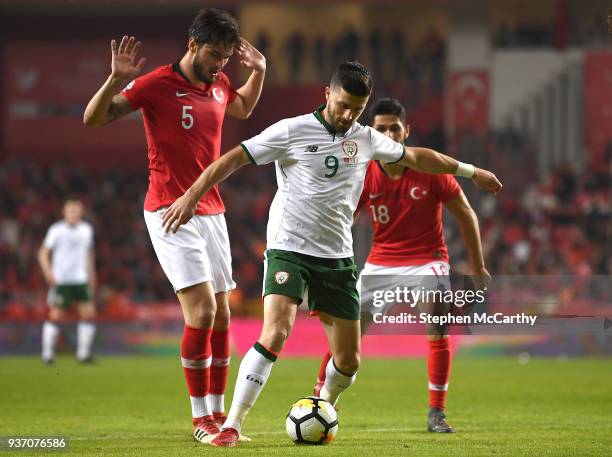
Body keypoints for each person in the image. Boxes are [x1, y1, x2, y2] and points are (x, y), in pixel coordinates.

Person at [161, 61, 502, 447]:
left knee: (349, 360)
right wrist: (192, 196)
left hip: (337, 259)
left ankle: (323, 405)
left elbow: (418, 157)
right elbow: (233, 158)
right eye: (342, 105)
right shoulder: (291, 130)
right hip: (289, 248)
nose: (347, 115)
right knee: (276, 331)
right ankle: (233, 424)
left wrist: (472, 172)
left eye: (356, 109)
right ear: (327, 93)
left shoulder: (367, 138)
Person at [83, 8, 266, 443]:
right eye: (214, 54)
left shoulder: (219, 84)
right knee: (202, 311)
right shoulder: (158, 84)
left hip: (211, 208)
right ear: (192, 45)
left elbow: (241, 105)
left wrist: (258, 71)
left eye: (225, 56)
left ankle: (220, 416)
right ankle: (200, 418)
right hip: (168, 208)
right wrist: (114, 78)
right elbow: (94, 118)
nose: (220, 63)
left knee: (223, 314)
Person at [313, 98, 491, 433]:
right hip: (380, 263)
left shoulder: (430, 169)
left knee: (437, 321)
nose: (388, 133)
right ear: (372, 133)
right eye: (380, 128)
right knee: (346, 335)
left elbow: (466, 213)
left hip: (428, 259)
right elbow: (343, 221)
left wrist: (477, 266)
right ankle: (319, 400)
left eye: (394, 127)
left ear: (406, 130)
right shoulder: (365, 174)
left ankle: (436, 413)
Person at [38, 199, 97, 364]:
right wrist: (48, 273)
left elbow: (88, 254)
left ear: (81, 213)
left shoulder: (86, 229)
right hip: (62, 280)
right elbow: (43, 253)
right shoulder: (56, 230)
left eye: (77, 211)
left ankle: (83, 355)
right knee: (56, 315)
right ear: (64, 213)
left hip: (80, 279)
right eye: (71, 211)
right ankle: (47, 354)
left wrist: (92, 275)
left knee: (88, 314)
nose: (74, 214)